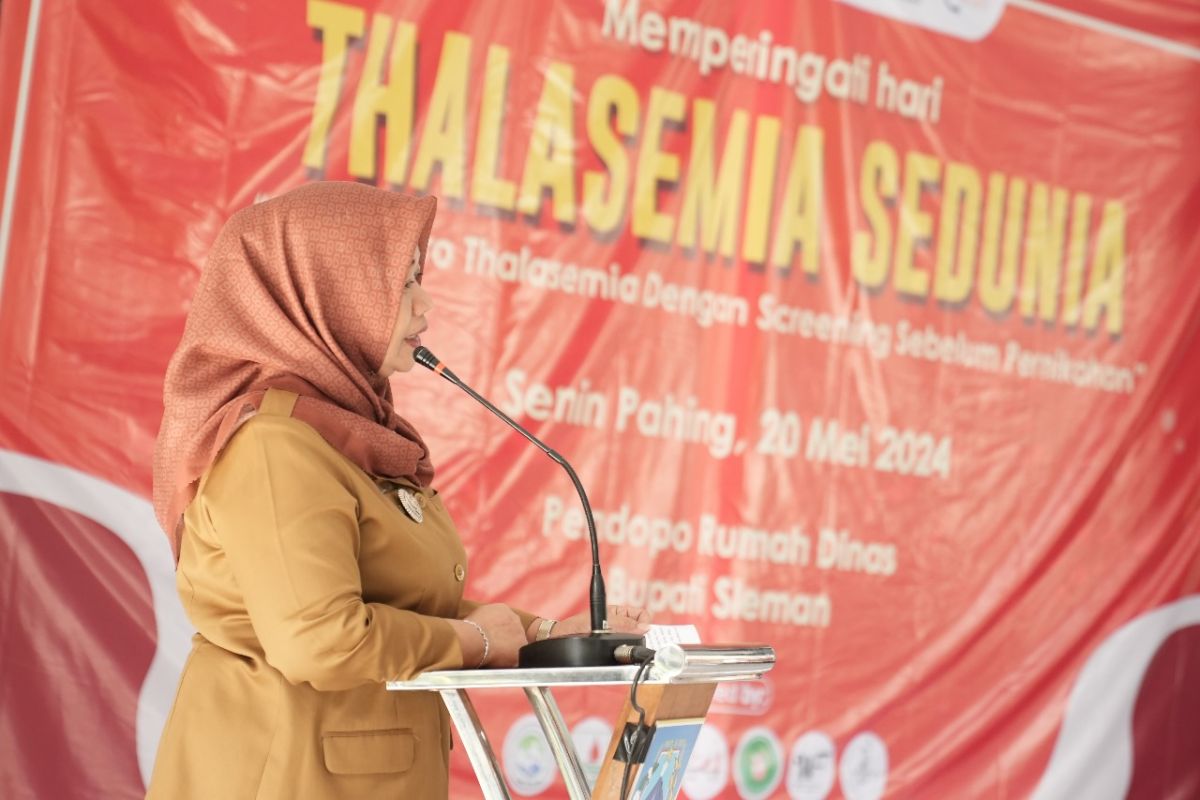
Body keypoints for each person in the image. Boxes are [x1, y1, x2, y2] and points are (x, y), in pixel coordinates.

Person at [147, 181, 649, 798]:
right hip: (284, 777)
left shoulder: (345, 437)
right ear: (329, 289)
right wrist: (475, 642)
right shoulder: (274, 447)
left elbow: (403, 604)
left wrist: (548, 636)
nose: (424, 304)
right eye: (403, 281)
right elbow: (319, 640)